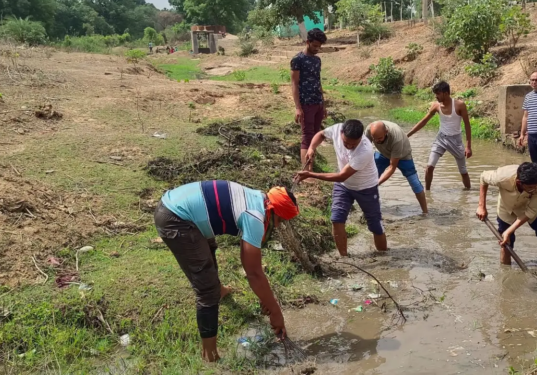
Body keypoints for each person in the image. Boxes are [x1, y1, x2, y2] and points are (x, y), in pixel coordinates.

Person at [154, 181, 299, 362]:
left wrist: (266, 299)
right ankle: (210, 355)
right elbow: (253, 272)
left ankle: (220, 291)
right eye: (280, 220)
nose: (277, 226)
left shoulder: (257, 198)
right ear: (274, 210)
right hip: (176, 218)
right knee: (207, 291)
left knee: (208, 248)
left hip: (176, 204)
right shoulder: (255, 216)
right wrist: (276, 312)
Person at [295, 120, 388, 256]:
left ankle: (384, 257)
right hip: (344, 186)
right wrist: (311, 148)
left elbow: (341, 176)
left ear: (361, 138)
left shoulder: (365, 150)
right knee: (336, 219)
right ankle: (344, 258)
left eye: (353, 144)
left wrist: (310, 174)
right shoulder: (337, 129)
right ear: (341, 133)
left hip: (366, 187)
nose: (349, 146)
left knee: (375, 225)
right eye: (346, 143)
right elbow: (321, 134)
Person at [476, 163, 537, 268]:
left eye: (536, 187)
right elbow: (483, 177)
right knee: (506, 243)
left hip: (529, 206)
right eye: (530, 187)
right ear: (519, 182)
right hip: (507, 207)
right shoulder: (502, 177)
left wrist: (509, 231)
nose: (534, 189)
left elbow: (530, 212)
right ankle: (506, 273)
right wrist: (481, 206)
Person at [407, 81, 473, 190]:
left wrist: (468, 146)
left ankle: (468, 192)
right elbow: (424, 122)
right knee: (429, 167)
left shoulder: (459, 105)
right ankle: (427, 192)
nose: (436, 96)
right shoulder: (436, 106)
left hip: (455, 141)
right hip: (441, 139)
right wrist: (407, 135)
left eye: (438, 94)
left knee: (463, 171)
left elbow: (467, 125)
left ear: (446, 93)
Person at [365, 120, 428, 214]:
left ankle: (425, 213)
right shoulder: (369, 130)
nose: (377, 141)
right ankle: (368, 208)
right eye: (374, 139)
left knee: (415, 183)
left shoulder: (396, 137)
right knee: (369, 178)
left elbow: (392, 168)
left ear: (386, 132)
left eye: (380, 138)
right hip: (382, 153)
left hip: (403, 156)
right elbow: (365, 151)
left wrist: (377, 183)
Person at [291, 28, 328, 170]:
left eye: (319, 46)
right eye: (315, 46)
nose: (317, 49)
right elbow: (294, 83)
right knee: (307, 136)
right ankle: (306, 173)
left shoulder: (317, 60)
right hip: (305, 103)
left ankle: (311, 167)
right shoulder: (298, 60)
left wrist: (323, 104)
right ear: (308, 42)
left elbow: (318, 82)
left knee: (315, 136)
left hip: (317, 102)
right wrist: (298, 107)